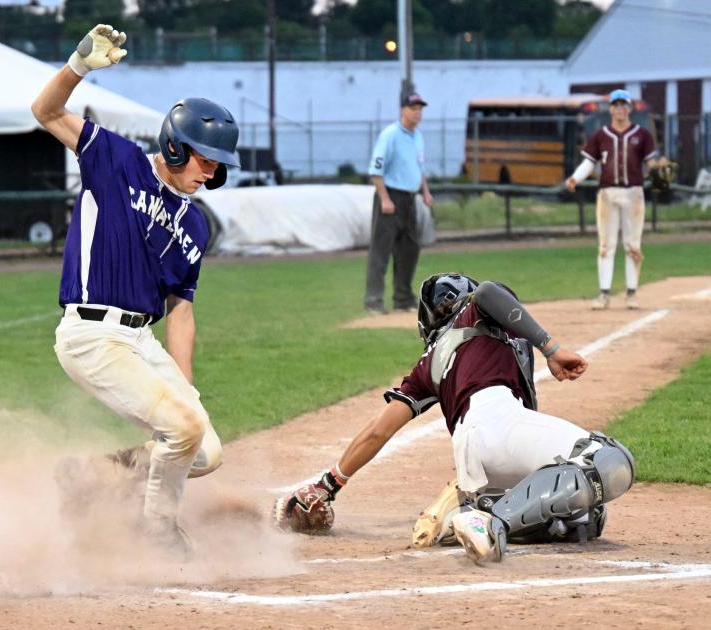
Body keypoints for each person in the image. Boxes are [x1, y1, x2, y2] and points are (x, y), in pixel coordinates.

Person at [31, 24, 240, 553]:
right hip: (91, 335)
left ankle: (94, 474)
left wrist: (185, 388)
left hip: (140, 341)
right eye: (203, 159)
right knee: (183, 431)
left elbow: (182, 312)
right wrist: (78, 67)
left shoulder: (195, 225)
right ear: (173, 147)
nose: (210, 172)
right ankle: (156, 531)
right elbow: (45, 112)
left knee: (204, 450)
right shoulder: (117, 161)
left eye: (217, 166)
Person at [274, 273, 635, 563]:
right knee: (608, 459)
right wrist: (551, 349)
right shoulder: (480, 310)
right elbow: (492, 290)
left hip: (471, 455)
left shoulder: (426, 365)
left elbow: (378, 431)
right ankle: (490, 520)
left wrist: (328, 484)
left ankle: (467, 514)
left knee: (584, 518)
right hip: (499, 422)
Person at [566, 89, 662, 311]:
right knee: (606, 245)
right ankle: (604, 294)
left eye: (624, 105)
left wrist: (659, 175)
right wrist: (575, 178)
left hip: (633, 192)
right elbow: (589, 162)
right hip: (608, 193)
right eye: (616, 105)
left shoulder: (642, 134)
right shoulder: (601, 135)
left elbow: (652, 163)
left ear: (630, 108)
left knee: (632, 245)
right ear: (611, 108)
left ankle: (631, 293)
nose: (620, 109)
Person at [364, 92, 435, 315]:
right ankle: (373, 300)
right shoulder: (391, 135)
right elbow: (376, 170)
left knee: (409, 250)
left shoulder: (417, 136)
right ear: (403, 110)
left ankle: (403, 299)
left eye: (420, 108)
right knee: (381, 250)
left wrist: (425, 192)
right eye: (413, 108)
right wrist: (385, 198)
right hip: (390, 197)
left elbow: (419, 168)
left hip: (410, 199)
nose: (417, 112)